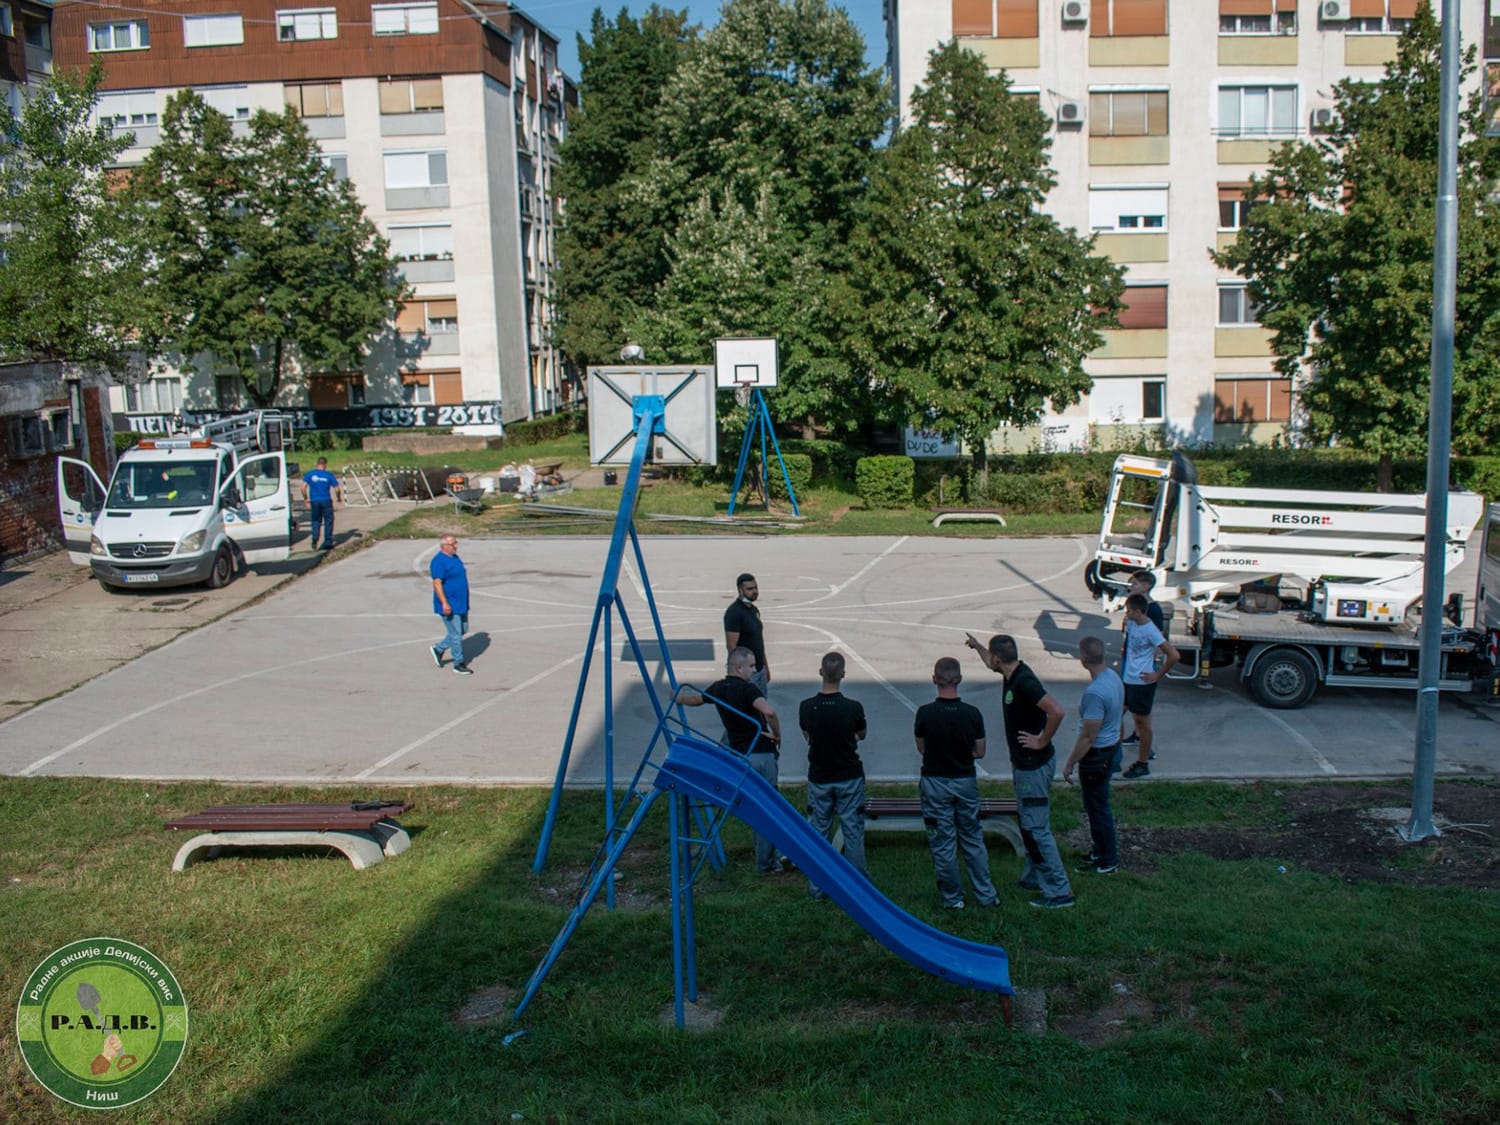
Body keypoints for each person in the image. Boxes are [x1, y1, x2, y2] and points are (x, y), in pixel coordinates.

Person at [965, 632, 1075, 909]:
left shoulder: (1023, 682)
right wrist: (978, 646)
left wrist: (1042, 740)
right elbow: (989, 661)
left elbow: (1057, 711)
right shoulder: (1011, 672)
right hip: (1027, 765)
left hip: (1032, 766)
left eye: (990, 655)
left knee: (1036, 828)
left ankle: (1059, 891)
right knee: (1030, 823)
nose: (988, 660)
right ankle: (1034, 877)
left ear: (999, 658)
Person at [678, 647, 790, 875]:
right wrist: (777, 734)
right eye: (751, 665)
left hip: (741, 756)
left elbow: (696, 700)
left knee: (756, 807)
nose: (755, 669)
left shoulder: (719, 688)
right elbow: (768, 711)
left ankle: (767, 856)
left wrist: (676, 697)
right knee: (769, 808)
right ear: (738, 667)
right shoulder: (748, 689)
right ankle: (766, 862)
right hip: (762, 754)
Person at [912, 657, 999, 910]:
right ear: (959, 680)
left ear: (934, 679)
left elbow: (921, 747)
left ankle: (952, 897)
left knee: (943, 841)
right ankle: (985, 894)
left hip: (935, 780)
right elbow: (980, 751)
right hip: (964, 780)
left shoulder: (925, 713)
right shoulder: (972, 713)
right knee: (972, 837)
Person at [799, 651, 869, 898]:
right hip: (849, 775)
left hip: (820, 776)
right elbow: (861, 734)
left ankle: (818, 887)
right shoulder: (853, 708)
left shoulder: (807, 707)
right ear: (843, 675)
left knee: (819, 831)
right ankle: (858, 888)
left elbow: (808, 737)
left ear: (821, 672)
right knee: (852, 830)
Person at [1062, 636, 1126, 875]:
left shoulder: (1094, 693)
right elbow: (1120, 714)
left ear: (1083, 658)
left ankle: (1108, 860)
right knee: (1098, 805)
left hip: (1097, 757)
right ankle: (1099, 850)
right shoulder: (1114, 678)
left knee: (1098, 808)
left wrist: (1070, 763)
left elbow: (1088, 736)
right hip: (1111, 749)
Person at [1121, 592, 1181, 779]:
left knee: (1142, 723)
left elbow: (1174, 655)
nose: (1127, 613)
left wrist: (1157, 674)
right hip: (1127, 679)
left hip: (1142, 682)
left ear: (1139, 611)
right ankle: (1114, 756)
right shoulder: (1131, 623)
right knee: (1116, 715)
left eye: (1129, 611)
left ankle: (1143, 762)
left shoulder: (1150, 630)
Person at [1121, 570, 1164, 752]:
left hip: (1144, 665)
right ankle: (1138, 734)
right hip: (1130, 662)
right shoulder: (1134, 609)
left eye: (1135, 583)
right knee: (1130, 704)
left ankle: (1144, 741)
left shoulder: (1153, 609)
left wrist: (1155, 664)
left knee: (1142, 710)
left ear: (1146, 587)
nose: (1132, 586)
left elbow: (1158, 637)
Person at [429, 535, 473, 675]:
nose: (456, 546)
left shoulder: (455, 557)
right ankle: (458, 663)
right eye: (453, 544)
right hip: (449, 604)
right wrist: (444, 603)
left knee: (463, 630)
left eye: (456, 543)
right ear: (444, 546)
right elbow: (437, 583)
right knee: (456, 635)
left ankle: (439, 649)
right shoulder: (438, 562)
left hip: (461, 602)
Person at [724, 573, 770, 695]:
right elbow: (731, 647)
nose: (754, 591)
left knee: (760, 708)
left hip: (759, 670)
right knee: (749, 709)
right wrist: (738, 675)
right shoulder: (734, 613)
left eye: (755, 587)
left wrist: (766, 668)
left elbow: (759, 641)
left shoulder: (754, 610)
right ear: (740, 590)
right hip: (747, 673)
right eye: (750, 589)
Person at [301, 457, 343, 550]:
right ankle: (328, 542)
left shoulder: (310, 474)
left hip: (314, 501)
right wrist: (338, 497)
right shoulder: (329, 475)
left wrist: (306, 498)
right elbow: (337, 489)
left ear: (317, 464)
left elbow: (303, 487)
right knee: (329, 521)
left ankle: (315, 537)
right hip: (326, 500)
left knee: (316, 520)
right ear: (325, 464)